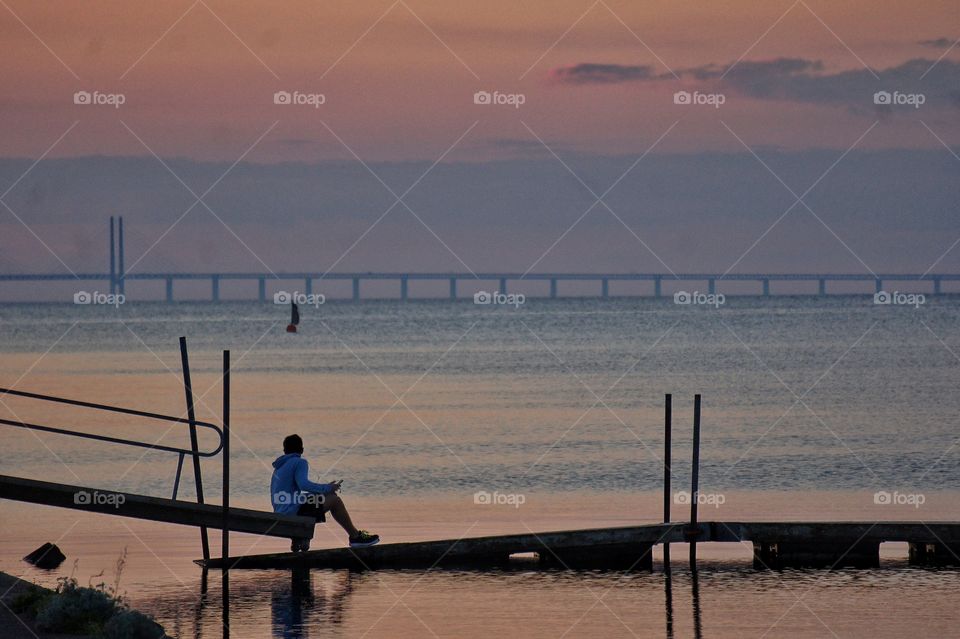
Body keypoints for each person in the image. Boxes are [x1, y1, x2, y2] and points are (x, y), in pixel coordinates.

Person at [271, 434, 379, 552]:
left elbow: (289, 496)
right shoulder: (299, 462)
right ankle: (355, 537)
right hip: (291, 512)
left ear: (284, 451)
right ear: (302, 450)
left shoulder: (279, 467)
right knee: (334, 500)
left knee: (321, 497)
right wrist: (327, 488)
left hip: (281, 511)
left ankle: (298, 542)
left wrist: (323, 490)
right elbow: (303, 485)